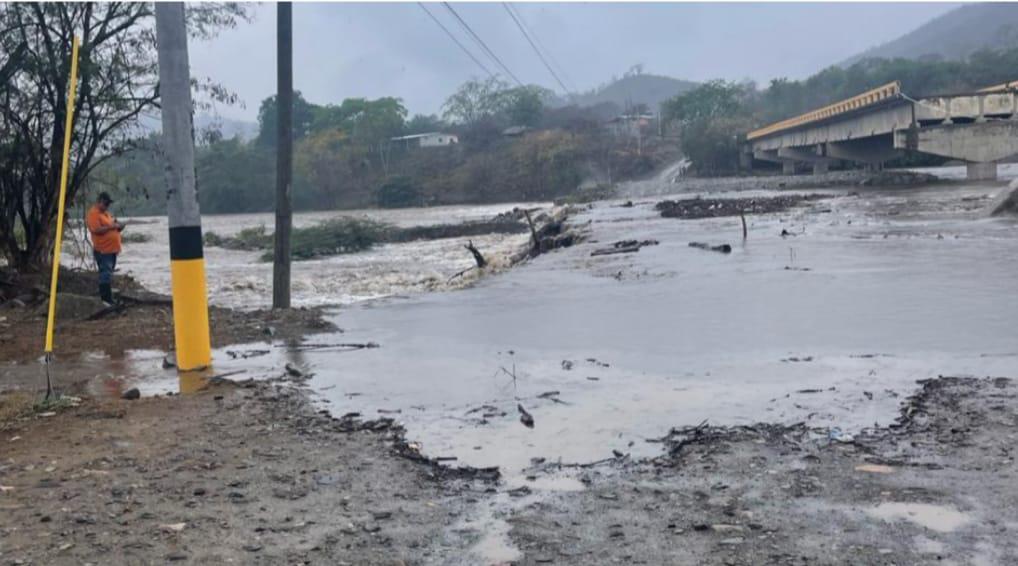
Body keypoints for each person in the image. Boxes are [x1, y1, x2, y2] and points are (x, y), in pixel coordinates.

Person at [86, 192, 127, 305]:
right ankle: (106, 300)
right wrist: (112, 226)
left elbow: (112, 227)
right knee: (105, 274)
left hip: (112, 250)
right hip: (103, 250)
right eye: (105, 204)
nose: (107, 206)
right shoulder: (93, 214)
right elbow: (96, 230)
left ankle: (109, 299)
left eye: (108, 204)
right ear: (99, 201)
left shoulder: (106, 214)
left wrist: (119, 227)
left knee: (108, 274)